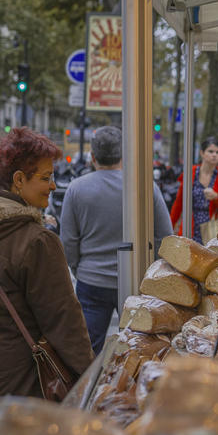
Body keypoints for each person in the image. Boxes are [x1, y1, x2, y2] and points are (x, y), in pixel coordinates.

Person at [0, 127, 94, 397]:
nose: (53, 185)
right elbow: (65, 325)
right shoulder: (37, 242)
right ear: (19, 179)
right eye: (45, 177)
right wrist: (90, 381)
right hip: (14, 391)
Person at [60, 126, 173, 355]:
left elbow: (68, 242)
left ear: (92, 157)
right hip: (136, 279)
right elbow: (165, 235)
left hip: (91, 280)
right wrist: (150, 267)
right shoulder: (144, 186)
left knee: (87, 351)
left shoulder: (76, 189)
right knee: (138, 349)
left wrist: (78, 268)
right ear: (124, 155)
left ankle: (88, 390)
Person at [170, 137, 218, 244]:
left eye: (217, 152)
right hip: (190, 229)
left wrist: (216, 198)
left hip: (213, 231)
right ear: (202, 153)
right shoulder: (190, 173)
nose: (214, 155)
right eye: (210, 151)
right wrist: (170, 227)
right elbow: (178, 204)